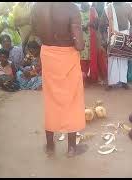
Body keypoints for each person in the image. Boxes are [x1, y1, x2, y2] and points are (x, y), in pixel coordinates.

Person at [31, 2, 88, 157]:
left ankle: (50, 146)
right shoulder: (71, 8)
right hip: (67, 55)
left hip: (48, 54)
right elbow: (79, 45)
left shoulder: (37, 6)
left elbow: (35, 31)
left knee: (51, 99)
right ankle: (71, 149)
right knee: (72, 100)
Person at [100, 2, 132, 90]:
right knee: (112, 59)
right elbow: (102, 25)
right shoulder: (108, 8)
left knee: (124, 59)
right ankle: (111, 83)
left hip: (125, 35)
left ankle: (124, 81)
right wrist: (103, 39)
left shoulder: (128, 6)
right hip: (113, 35)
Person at [80, 2, 99, 85]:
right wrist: (81, 27)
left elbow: (97, 25)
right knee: (82, 58)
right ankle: (83, 78)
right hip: (81, 39)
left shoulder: (93, 11)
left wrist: (89, 24)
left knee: (91, 58)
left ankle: (91, 77)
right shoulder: (77, 12)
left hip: (91, 38)